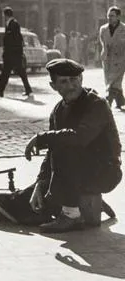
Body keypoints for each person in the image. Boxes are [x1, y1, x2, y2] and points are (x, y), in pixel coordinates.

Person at [20, 59, 122, 233]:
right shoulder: (58, 110)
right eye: (64, 82)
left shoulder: (96, 104)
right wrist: (40, 182)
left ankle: (71, 215)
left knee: (67, 145)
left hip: (105, 172)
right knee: (26, 202)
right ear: (53, 86)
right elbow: (51, 152)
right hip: (79, 171)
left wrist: (41, 139)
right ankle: (83, 201)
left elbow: (79, 138)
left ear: (81, 78)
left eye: (74, 79)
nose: (71, 86)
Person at [0, 7, 32, 97]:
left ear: (5, 15)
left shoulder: (14, 24)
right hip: (11, 53)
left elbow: (16, 39)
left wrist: (14, 52)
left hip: (13, 53)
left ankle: (1, 90)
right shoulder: (10, 23)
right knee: (8, 72)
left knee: (18, 72)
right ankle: (0, 90)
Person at [99, 6, 125, 109]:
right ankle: (120, 101)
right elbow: (103, 43)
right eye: (108, 16)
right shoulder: (103, 29)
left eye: (112, 16)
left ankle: (107, 102)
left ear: (118, 17)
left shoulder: (124, 29)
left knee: (113, 82)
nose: (109, 18)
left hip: (121, 60)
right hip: (107, 59)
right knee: (110, 80)